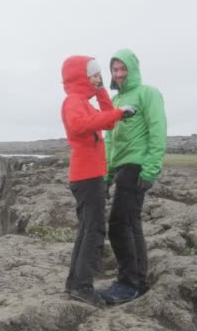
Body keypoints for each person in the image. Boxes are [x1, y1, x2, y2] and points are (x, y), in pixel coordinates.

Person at [60, 55, 135, 307]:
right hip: (86, 176)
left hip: (90, 175)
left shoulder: (84, 101)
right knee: (93, 231)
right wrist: (115, 114)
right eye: (93, 75)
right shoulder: (73, 102)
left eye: (98, 75)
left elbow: (107, 117)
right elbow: (80, 125)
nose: (97, 78)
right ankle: (82, 286)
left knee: (86, 230)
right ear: (80, 76)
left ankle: (75, 283)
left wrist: (102, 90)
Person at [101, 49, 167, 304]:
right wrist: (107, 175)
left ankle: (129, 283)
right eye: (114, 70)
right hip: (120, 169)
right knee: (131, 223)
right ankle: (137, 280)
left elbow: (158, 130)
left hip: (136, 166)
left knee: (118, 225)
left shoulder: (148, 93)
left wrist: (151, 169)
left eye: (122, 69)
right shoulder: (116, 101)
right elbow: (110, 141)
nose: (118, 74)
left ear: (133, 69)